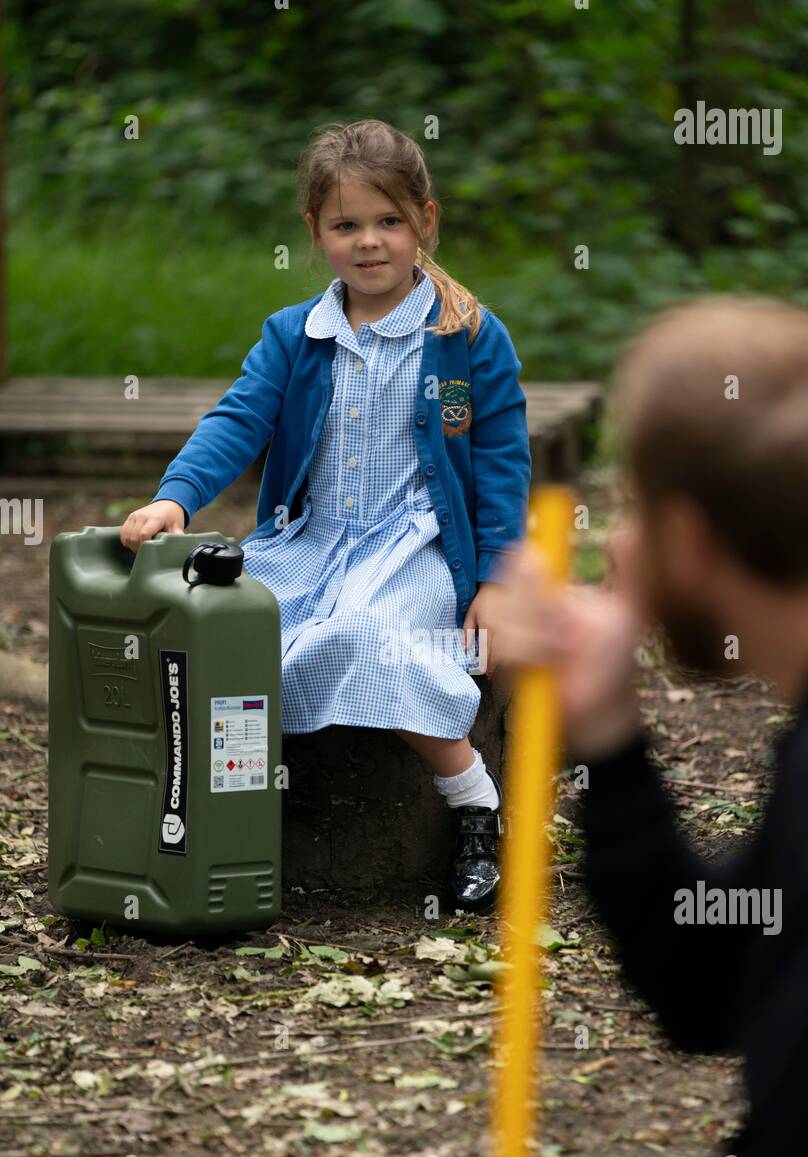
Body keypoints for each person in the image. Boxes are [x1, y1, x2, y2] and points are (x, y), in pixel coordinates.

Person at [325, 295, 808, 1157]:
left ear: (690, 540)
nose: (615, 548)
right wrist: (609, 742)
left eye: (634, 512)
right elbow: (707, 995)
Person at [120, 119, 531, 914]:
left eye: (389, 222)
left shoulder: (468, 339)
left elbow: (503, 468)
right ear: (316, 232)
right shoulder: (296, 336)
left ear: (425, 223)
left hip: (414, 548)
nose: (368, 242)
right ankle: (227, 820)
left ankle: (476, 806)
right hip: (308, 543)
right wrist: (175, 496)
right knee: (228, 638)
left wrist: (498, 579)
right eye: (346, 225)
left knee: (371, 639)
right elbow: (237, 420)